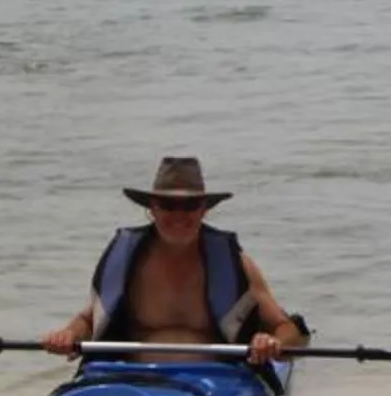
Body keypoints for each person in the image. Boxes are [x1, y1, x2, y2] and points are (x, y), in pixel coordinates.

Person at [41, 156, 309, 368]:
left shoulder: (236, 264)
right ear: (151, 209)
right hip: (131, 380)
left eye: (189, 206)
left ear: (204, 209)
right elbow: (89, 320)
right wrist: (68, 334)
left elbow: (290, 331)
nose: (179, 216)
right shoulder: (126, 261)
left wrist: (272, 342)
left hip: (217, 386)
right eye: (168, 205)